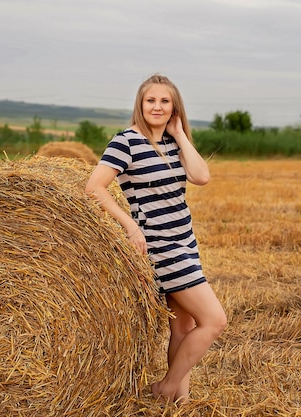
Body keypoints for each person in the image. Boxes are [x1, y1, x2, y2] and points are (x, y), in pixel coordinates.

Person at [85, 74, 228, 403]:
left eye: (165, 101)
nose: (157, 107)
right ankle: (166, 388)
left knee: (183, 325)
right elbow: (94, 188)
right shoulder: (126, 142)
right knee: (214, 320)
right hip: (160, 247)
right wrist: (130, 226)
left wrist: (178, 133)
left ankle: (180, 401)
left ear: (174, 107)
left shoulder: (173, 142)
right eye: (151, 100)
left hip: (185, 240)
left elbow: (201, 176)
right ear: (140, 103)